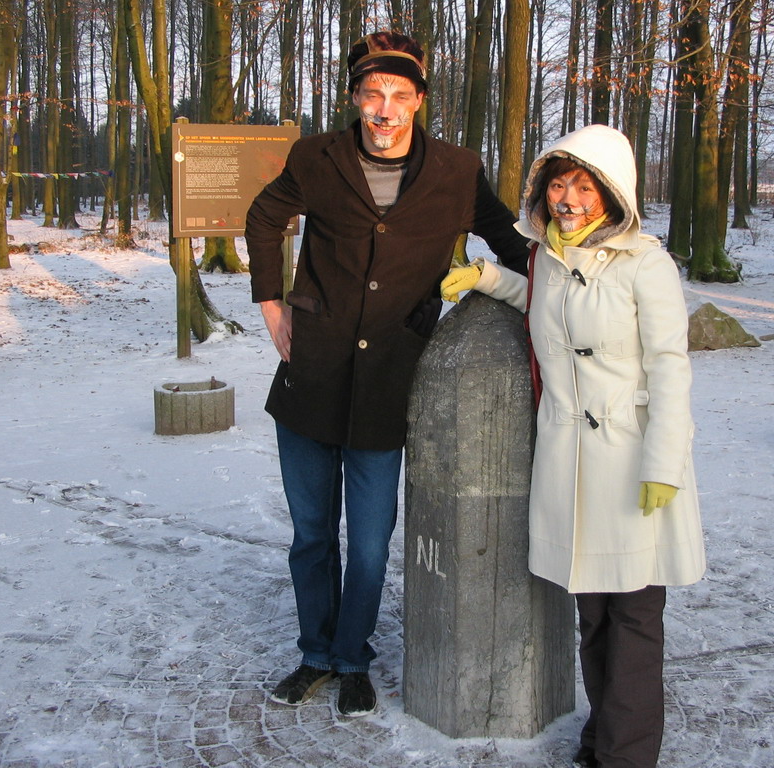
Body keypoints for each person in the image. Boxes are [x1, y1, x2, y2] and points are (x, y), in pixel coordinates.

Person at [244, 31, 530, 718]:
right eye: (373, 94)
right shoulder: (318, 158)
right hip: (311, 375)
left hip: (390, 384)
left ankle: (352, 658)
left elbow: (508, 238)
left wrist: (570, 276)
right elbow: (264, 216)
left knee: (369, 544)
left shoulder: (457, 172)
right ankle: (315, 653)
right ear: (354, 98)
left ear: (420, 101)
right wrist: (270, 304)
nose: (385, 109)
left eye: (400, 95)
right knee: (312, 535)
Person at [441, 125, 706, 767]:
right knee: (592, 618)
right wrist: (486, 277)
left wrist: (665, 464)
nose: (568, 198)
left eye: (583, 186)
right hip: (568, 465)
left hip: (633, 462)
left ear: (612, 194)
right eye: (558, 184)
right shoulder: (548, 260)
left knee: (635, 622)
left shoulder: (646, 263)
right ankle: (600, 738)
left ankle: (626, 755)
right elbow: (541, 304)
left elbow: (671, 365)